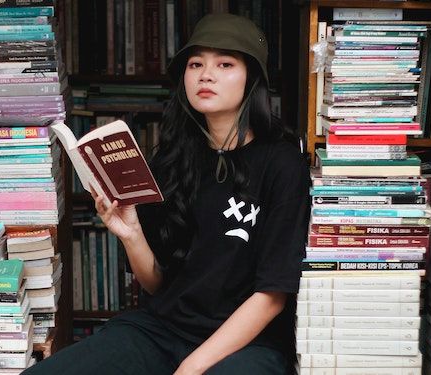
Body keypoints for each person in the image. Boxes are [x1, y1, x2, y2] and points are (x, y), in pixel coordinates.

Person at [22, 13, 310, 375]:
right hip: (162, 329)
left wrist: (191, 368)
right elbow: (157, 284)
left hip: (248, 344)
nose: (206, 75)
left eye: (225, 64)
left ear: (252, 77)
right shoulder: (175, 157)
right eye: (195, 64)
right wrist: (131, 233)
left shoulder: (283, 164)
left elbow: (272, 296)